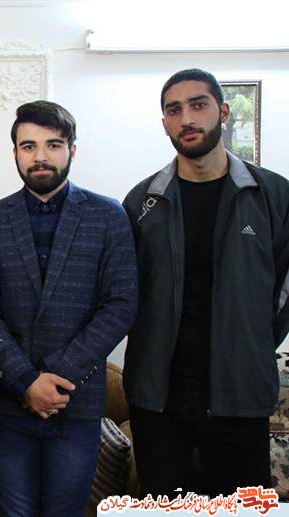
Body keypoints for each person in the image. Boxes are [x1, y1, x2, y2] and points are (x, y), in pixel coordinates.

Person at [122, 68, 289, 498]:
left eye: (199, 105)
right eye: (174, 110)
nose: (187, 119)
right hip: (158, 399)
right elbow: (124, 292)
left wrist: (252, 342)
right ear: (164, 124)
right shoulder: (142, 202)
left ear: (224, 112)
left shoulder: (273, 195)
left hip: (241, 394)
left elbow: (284, 290)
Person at [0, 101, 138, 516]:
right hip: (10, 403)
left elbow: (120, 305)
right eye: (29, 146)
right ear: (15, 153)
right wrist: (27, 381)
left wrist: (53, 379)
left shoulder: (108, 216)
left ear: (72, 150)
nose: (40, 156)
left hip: (76, 402)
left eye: (53, 144)